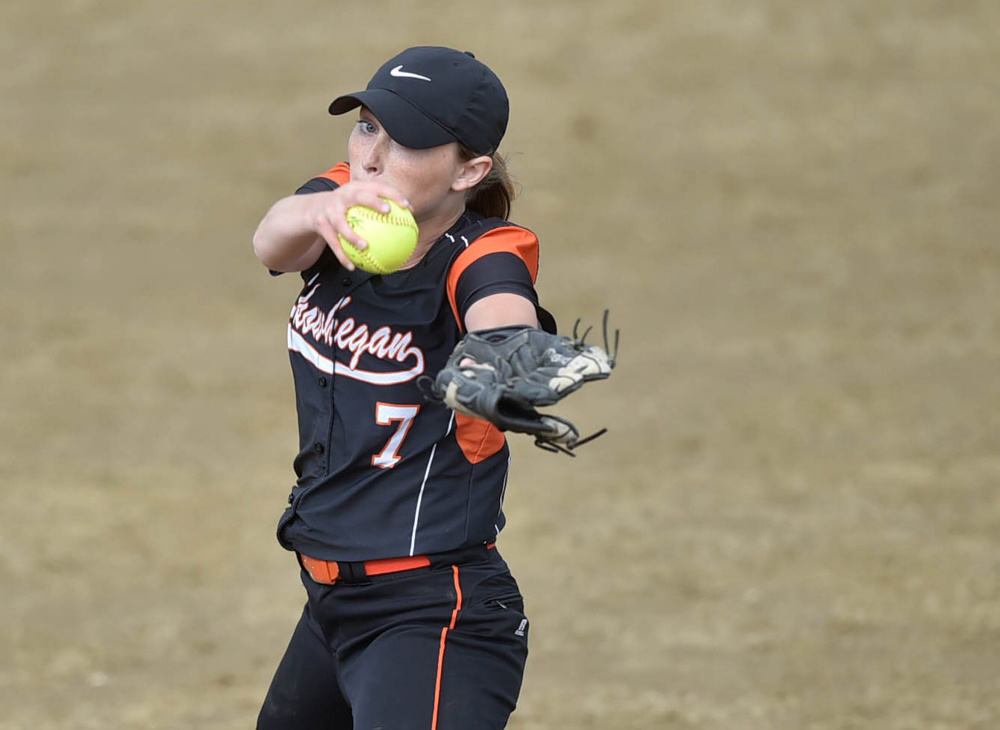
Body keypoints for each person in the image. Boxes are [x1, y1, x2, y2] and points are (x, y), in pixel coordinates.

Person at [251, 46, 592, 730]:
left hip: (432, 616)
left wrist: (500, 357)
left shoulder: (480, 252)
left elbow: (503, 305)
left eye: (405, 139)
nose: (372, 154)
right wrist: (323, 208)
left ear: (469, 170)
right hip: (329, 607)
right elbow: (270, 243)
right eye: (368, 124)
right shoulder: (340, 201)